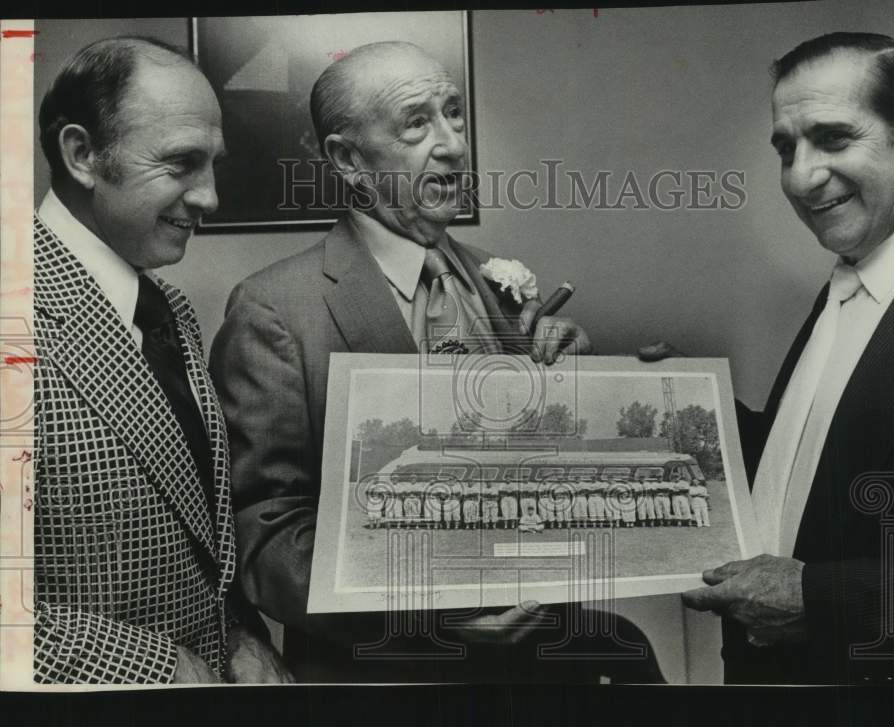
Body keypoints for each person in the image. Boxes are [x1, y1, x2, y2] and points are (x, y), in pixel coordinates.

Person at [211, 42, 660, 683]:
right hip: (386, 680)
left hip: (536, 671)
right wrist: (423, 611)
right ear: (348, 159)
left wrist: (571, 393)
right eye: (416, 124)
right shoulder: (274, 309)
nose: (452, 145)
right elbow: (265, 533)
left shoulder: (498, 282)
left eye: (453, 113)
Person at [644, 33, 894, 684]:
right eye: (786, 149)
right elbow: (818, 471)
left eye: (833, 139)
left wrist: (818, 598)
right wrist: (691, 406)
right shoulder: (857, 271)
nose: (800, 177)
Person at [32, 37, 290, 684]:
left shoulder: (168, 307)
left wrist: (238, 631)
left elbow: (198, 534)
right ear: (82, 155)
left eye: (212, 166)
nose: (210, 198)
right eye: (181, 164)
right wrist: (157, 666)